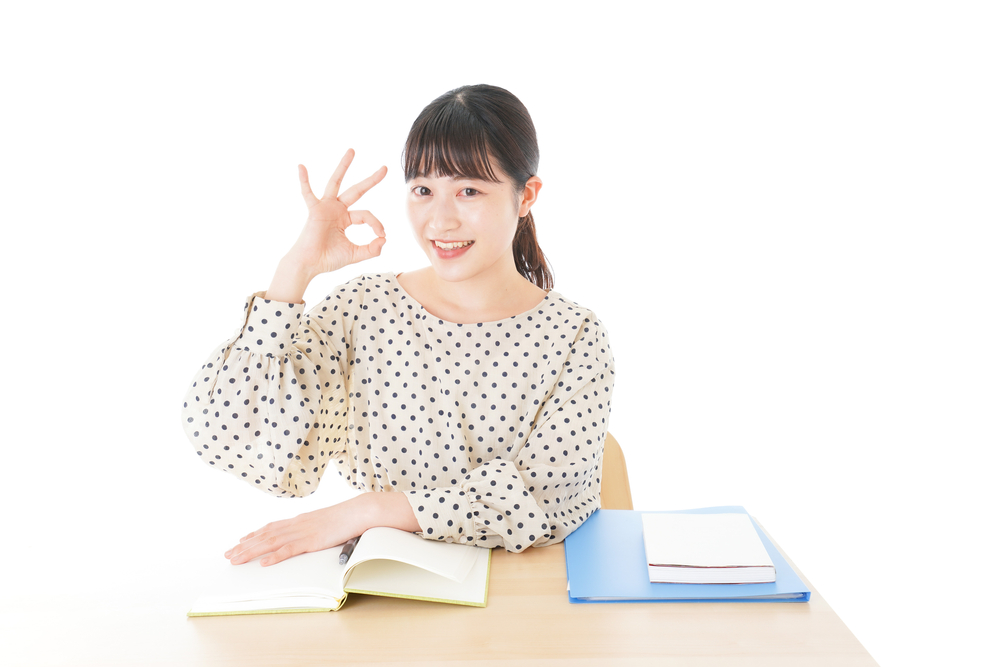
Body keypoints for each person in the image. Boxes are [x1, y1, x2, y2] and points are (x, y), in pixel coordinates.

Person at [181, 84, 615, 568]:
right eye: (423, 191)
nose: (440, 221)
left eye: (469, 191)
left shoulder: (575, 336)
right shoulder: (364, 309)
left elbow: (550, 498)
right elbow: (231, 434)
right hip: (385, 582)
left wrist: (372, 509)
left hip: (524, 588)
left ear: (526, 195)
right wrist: (295, 270)